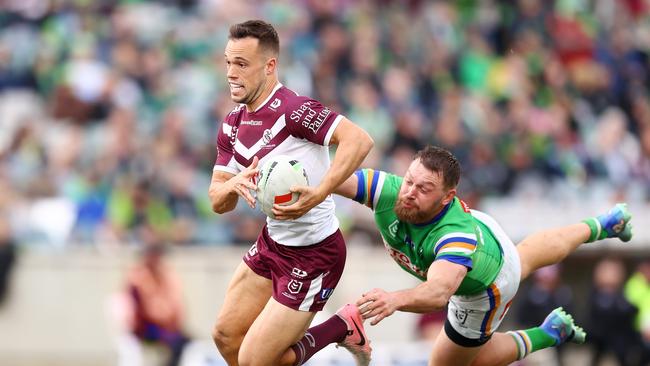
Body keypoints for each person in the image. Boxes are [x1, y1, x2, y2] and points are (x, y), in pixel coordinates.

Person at [333, 145, 634, 366]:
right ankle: (604, 225)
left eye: (424, 188)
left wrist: (394, 299)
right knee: (526, 256)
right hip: (484, 230)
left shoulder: (453, 237)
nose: (410, 192)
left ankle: (547, 334)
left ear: (447, 197)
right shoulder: (390, 190)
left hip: (487, 287)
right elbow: (335, 178)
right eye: (409, 180)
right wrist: (307, 188)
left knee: (447, 364)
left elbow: (439, 292)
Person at [208, 20, 374, 366]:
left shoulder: (294, 110)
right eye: (228, 62)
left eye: (241, 64)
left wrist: (320, 192)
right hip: (273, 243)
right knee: (225, 337)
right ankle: (341, 326)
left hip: (315, 254)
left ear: (269, 66)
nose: (231, 73)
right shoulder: (233, 124)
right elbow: (216, 202)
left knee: (257, 360)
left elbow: (359, 140)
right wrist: (231, 186)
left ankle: (340, 325)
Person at [126, 244, 190, 366]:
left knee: (187, 342)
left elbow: (176, 303)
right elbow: (150, 310)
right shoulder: (139, 277)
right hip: (145, 328)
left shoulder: (163, 274)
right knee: (178, 343)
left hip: (164, 326)